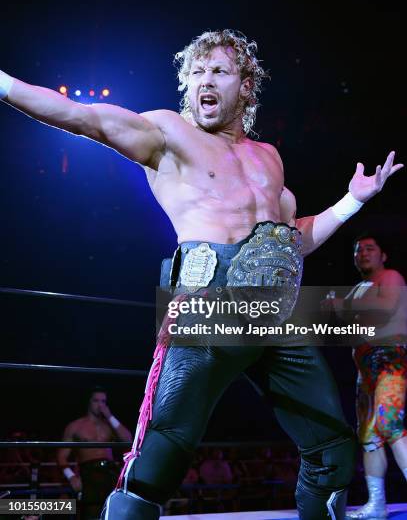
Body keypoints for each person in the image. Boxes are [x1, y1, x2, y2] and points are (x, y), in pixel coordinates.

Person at [0, 29, 403, 520]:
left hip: (276, 313)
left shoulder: (268, 157)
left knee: (332, 450)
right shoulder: (169, 133)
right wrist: (3, 83)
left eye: (218, 71)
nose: (203, 81)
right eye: (196, 72)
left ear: (245, 87)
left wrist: (352, 201)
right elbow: (83, 118)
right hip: (210, 300)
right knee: (163, 455)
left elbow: (291, 238)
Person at [327, 235, 407, 519]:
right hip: (364, 369)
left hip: (390, 360)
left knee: (389, 424)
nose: (362, 253)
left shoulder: (390, 277)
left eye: (370, 248)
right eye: (357, 249)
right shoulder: (357, 290)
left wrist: (343, 308)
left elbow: (385, 308)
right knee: (369, 436)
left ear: (383, 255)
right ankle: (377, 504)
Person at [56, 387, 131, 519]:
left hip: (111, 471)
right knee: (91, 513)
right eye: (96, 401)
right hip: (89, 473)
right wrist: (71, 477)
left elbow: (128, 440)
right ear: (89, 402)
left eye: (103, 401)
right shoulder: (76, 426)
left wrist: (110, 416)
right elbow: (61, 456)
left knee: (114, 513)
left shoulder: (109, 425)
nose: (100, 405)